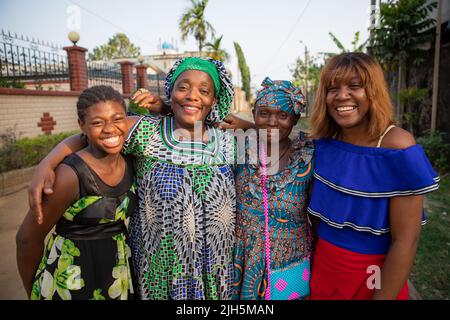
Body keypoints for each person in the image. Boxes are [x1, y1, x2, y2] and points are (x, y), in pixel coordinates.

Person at [26, 57, 237, 300]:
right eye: (183, 87)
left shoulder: (229, 141)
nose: (193, 95)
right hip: (159, 270)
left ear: (214, 99)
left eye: (204, 91)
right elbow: (95, 134)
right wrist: (48, 162)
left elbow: (275, 135)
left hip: (215, 266)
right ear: (170, 92)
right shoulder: (146, 131)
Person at [307, 52, 440, 300]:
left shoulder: (397, 148)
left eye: (355, 86)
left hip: (374, 276)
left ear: (373, 91)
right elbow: (283, 140)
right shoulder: (324, 142)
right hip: (323, 267)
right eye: (332, 88)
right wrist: (250, 127)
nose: (342, 95)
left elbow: (405, 242)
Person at [16, 85, 136, 300]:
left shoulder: (131, 159)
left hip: (118, 273)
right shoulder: (69, 176)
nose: (110, 129)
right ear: (82, 125)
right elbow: (27, 239)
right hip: (73, 278)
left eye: (117, 119)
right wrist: (35, 292)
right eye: (98, 122)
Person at [232, 77, 314, 300]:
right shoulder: (239, 147)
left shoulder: (307, 156)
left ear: (295, 118)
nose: (272, 121)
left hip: (290, 260)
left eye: (283, 115)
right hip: (243, 260)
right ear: (254, 113)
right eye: (264, 113)